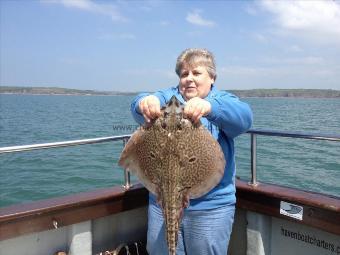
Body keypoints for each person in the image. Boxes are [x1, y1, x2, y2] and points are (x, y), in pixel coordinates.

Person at [130, 48, 253, 255]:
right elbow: (138, 104)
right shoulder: (169, 98)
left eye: (197, 73)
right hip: (162, 199)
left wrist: (209, 107)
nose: (189, 79)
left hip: (210, 206)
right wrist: (145, 102)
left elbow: (244, 118)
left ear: (212, 78)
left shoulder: (222, 99)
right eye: (184, 74)